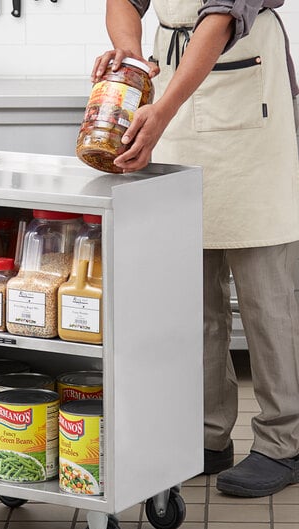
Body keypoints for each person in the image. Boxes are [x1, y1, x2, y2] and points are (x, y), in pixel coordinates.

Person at [92, 0, 299, 497]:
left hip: (246, 105)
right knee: (191, 299)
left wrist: (161, 109)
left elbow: (221, 18)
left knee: (267, 299)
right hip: (175, 108)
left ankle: (283, 441)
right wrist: (132, 58)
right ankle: (205, 435)